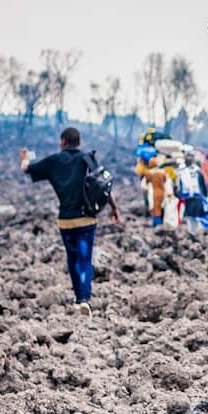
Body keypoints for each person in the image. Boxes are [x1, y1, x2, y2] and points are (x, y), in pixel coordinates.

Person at [21, 127, 122, 316]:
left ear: (63, 142)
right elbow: (103, 185)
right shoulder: (87, 158)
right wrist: (114, 209)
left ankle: (78, 299)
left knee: (72, 258)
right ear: (78, 141)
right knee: (85, 259)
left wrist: (25, 157)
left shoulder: (53, 161)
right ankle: (84, 299)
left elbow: (26, 169)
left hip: (66, 221)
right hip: (86, 219)